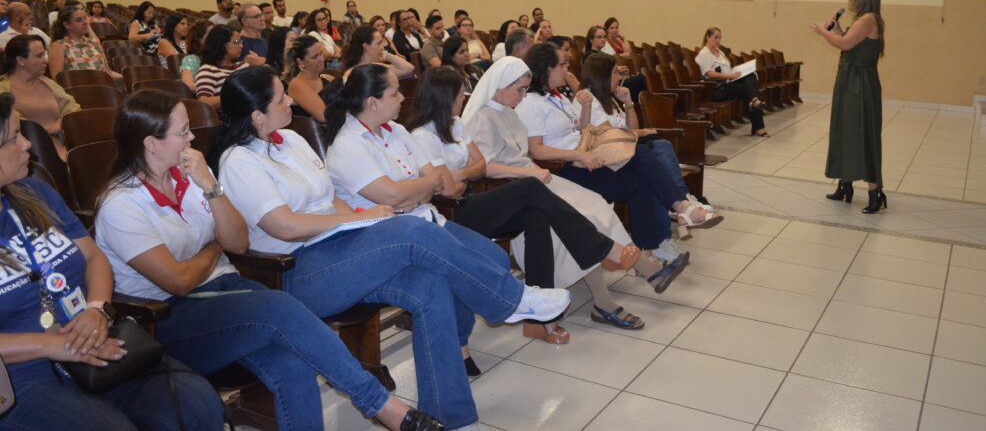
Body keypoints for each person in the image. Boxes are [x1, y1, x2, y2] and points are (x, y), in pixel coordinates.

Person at [214, 66, 569, 429]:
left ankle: (451, 413)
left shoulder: (291, 140)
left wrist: (359, 220)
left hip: (338, 248)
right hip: (295, 269)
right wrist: (356, 220)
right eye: (281, 98)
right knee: (411, 228)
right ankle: (510, 299)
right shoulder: (239, 161)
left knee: (430, 285)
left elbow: (329, 197)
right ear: (257, 115)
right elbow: (285, 226)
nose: (291, 100)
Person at [94, 90, 442, 431]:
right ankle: (381, 406)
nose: (192, 139)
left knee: (292, 363)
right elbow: (179, 281)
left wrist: (210, 186)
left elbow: (236, 241)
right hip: (169, 317)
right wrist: (213, 248)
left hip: (226, 288)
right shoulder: (121, 204)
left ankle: (380, 408)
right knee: (279, 307)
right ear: (151, 143)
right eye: (182, 132)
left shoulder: (192, 176)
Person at [0, 91, 226, 431]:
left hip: (93, 336)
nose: (27, 144)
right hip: (20, 376)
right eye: (13, 137)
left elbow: (94, 257)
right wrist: (55, 345)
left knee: (195, 402)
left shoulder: (36, 193)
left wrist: (97, 309)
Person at [408, 66, 642, 342]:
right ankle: (604, 248)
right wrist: (463, 176)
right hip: (449, 215)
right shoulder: (423, 135)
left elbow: (479, 165)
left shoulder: (455, 124)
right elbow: (449, 188)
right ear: (443, 97)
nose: (463, 99)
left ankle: (538, 321)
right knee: (531, 186)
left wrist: (459, 175)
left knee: (536, 214)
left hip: (468, 199)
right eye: (459, 94)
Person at [462, 57, 690, 330]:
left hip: (534, 178)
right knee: (580, 218)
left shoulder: (509, 112)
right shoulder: (482, 118)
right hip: (514, 189)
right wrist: (530, 172)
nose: (523, 95)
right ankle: (612, 294)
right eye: (520, 89)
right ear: (500, 86)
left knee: (595, 204)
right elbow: (485, 167)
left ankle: (635, 272)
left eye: (526, 89)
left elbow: (523, 154)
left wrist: (534, 170)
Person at [520, 42, 710, 251]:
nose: (567, 70)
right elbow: (535, 150)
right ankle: (682, 207)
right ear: (548, 68)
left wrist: (585, 108)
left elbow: (582, 131)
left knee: (642, 178)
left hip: (587, 158)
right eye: (563, 65)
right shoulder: (531, 103)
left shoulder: (559, 98)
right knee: (642, 154)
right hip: (565, 168)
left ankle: (650, 249)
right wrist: (579, 155)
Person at [578, 53, 721, 238]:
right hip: (607, 158)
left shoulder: (609, 98)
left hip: (623, 150)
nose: (619, 77)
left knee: (659, 152)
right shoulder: (589, 99)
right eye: (615, 73)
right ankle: (682, 204)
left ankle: (678, 212)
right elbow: (612, 136)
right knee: (656, 154)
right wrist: (642, 133)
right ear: (602, 75)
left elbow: (631, 128)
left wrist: (628, 103)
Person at [811, 0, 886, 213]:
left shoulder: (868, 20)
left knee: (862, 133)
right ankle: (845, 185)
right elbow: (849, 43)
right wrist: (835, 29)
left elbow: (844, 44)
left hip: (859, 84)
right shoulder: (863, 20)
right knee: (844, 130)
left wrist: (824, 32)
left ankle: (875, 193)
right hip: (849, 81)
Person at [0, 35, 81, 160]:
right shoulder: (2, 91)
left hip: (65, 148)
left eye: (45, 55)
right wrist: (51, 128)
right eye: (39, 56)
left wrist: (62, 124)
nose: (46, 61)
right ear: (21, 60)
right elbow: (12, 127)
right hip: (29, 155)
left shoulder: (48, 83)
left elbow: (72, 107)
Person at [696, 27, 768, 137]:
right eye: (716, 37)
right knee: (750, 92)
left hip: (728, 83)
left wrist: (736, 73)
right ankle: (758, 125)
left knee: (750, 76)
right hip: (716, 88)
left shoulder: (720, 52)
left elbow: (727, 69)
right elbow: (710, 74)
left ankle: (755, 102)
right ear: (708, 37)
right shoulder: (704, 53)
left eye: (720, 38)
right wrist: (730, 76)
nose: (718, 40)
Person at [48, 5, 115, 78]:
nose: (85, 22)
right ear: (67, 25)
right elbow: (57, 78)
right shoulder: (59, 46)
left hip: (103, 83)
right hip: (78, 85)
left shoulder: (93, 42)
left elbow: (108, 72)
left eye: (85, 18)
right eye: (79, 20)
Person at [194, 25, 248, 110]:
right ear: (223, 44)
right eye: (236, 41)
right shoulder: (208, 70)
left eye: (241, 42)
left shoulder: (244, 66)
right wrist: (237, 95)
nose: (241, 46)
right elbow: (204, 103)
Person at [285, 36, 334, 122]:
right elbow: (324, 116)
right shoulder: (296, 84)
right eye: (314, 57)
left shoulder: (328, 78)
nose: (321, 59)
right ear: (301, 62)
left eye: (321, 53)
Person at [342, 25, 414, 79]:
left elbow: (408, 68)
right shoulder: (351, 73)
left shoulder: (375, 67)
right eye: (378, 43)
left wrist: (385, 54)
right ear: (366, 46)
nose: (382, 47)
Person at [178, 20, 212, 93]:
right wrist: (213, 89)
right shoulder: (192, 59)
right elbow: (188, 85)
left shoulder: (222, 57)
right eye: (211, 34)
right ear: (199, 38)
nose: (216, 38)